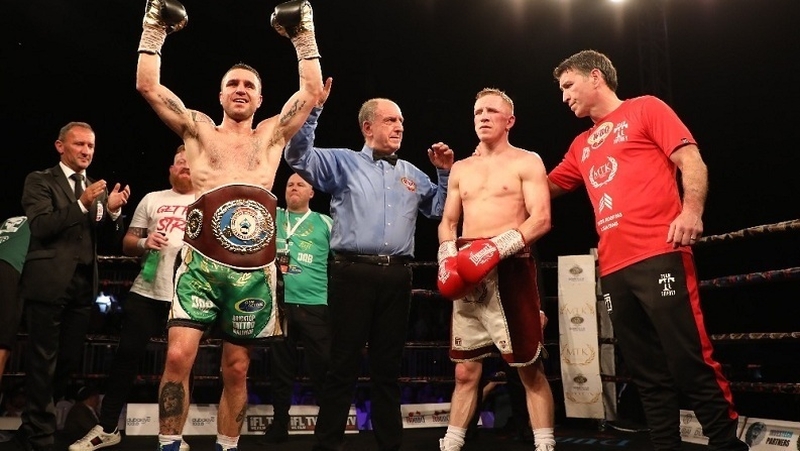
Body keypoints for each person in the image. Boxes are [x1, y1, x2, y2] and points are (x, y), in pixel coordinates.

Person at [134, 0, 323, 449]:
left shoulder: (272, 134)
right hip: (199, 263)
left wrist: (304, 36)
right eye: (232, 84)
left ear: (260, 98)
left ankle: (227, 445)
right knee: (178, 356)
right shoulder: (198, 129)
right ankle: (167, 444)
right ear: (220, 95)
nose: (240, 89)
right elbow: (148, 85)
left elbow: (312, 94)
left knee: (237, 368)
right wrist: (153, 30)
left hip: (253, 271)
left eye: (249, 85)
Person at [548, 49, 748, 451]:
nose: (564, 96)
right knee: (645, 370)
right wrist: (484, 167)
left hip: (660, 250)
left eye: (569, 85)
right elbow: (541, 187)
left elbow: (690, 159)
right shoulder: (580, 145)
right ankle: (664, 445)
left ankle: (726, 444)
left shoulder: (645, 108)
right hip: (614, 269)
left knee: (688, 357)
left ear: (595, 78)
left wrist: (692, 210)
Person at [284, 81, 454, 451]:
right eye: (391, 120)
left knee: (388, 369)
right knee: (341, 366)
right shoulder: (344, 161)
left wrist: (443, 174)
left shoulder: (411, 172)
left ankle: (390, 446)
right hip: (351, 274)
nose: (399, 127)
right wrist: (313, 109)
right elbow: (298, 156)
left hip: (397, 275)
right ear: (368, 127)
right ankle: (326, 446)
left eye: (402, 122)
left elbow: (438, 210)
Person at [435, 88, 555, 451]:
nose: (483, 117)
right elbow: (448, 221)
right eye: (477, 112)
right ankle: (452, 444)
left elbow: (542, 218)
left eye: (491, 111)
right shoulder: (461, 168)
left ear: (509, 121)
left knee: (528, 368)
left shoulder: (527, 161)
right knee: (465, 370)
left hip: (512, 266)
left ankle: (545, 445)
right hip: (467, 270)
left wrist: (498, 247)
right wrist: (446, 256)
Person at [14, 121, 130, 451]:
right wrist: (80, 204)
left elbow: (105, 238)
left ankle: (32, 425)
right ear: (60, 146)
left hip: (82, 286)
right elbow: (40, 225)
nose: (86, 151)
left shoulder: (96, 187)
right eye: (79, 144)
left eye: (91, 146)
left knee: (66, 361)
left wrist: (113, 212)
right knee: (42, 360)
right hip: (49, 282)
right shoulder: (39, 181)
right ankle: (41, 435)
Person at [68, 146, 194, 451]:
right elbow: (126, 243)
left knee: (181, 366)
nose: (185, 166)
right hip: (147, 290)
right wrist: (144, 241)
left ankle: (174, 433)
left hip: (190, 294)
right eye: (179, 162)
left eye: (190, 162)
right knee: (125, 359)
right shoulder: (153, 199)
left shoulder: (207, 201)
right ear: (170, 169)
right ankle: (107, 427)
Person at [261, 172, 333, 443]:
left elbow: (340, 262)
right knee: (280, 370)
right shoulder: (273, 216)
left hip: (316, 304)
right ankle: (279, 426)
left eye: (300, 184)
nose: (293, 188)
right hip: (279, 304)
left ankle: (327, 430)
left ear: (312, 193)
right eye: (290, 184)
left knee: (323, 368)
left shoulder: (325, 222)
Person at [0, 215, 30, 386]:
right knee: (2, 346)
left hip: (7, 264)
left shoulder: (11, 220)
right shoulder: (44, 220)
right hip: (8, 271)